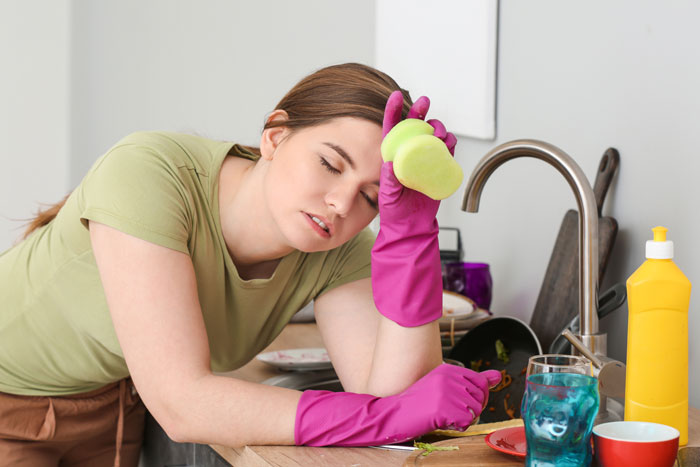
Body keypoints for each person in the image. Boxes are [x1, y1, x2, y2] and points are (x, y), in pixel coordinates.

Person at [0, 62, 500, 466]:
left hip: (113, 405)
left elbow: (393, 390)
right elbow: (182, 404)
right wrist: (387, 418)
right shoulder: (149, 174)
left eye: (371, 197)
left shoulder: (336, 246)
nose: (342, 205)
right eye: (329, 164)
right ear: (275, 136)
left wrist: (410, 235)